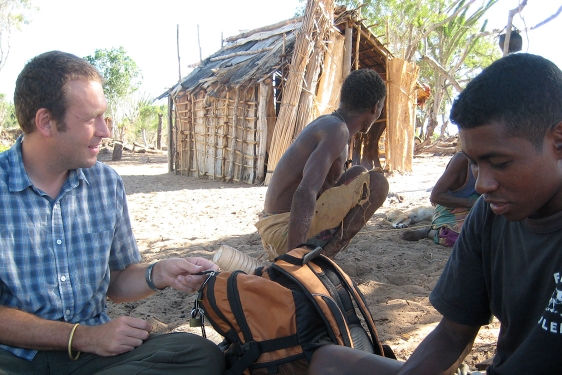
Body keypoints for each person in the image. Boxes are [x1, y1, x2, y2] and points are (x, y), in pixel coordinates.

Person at [307, 53, 562, 374]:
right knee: (329, 362)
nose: (482, 184)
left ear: (558, 140)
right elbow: (455, 334)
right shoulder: (489, 216)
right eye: (473, 162)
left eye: (499, 163)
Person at [0, 51, 225, 374]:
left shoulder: (105, 184)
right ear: (46, 122)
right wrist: (84, 337)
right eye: (92, 118)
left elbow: (117, 280)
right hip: (14, 358)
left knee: (199, 354)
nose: (105, 131)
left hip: (94, 357)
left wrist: (161, 273)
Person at [255, 69, 389, 260]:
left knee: (358, 173)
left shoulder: (329, 123)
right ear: (375, 107)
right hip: (283, 232)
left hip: (275, 227)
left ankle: (315, 259)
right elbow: (305, 191)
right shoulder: (337, 130)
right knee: (378, 184)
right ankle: (322, 261)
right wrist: (293, 261)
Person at [401, 151, 480, 247]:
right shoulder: (462, 160)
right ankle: (430, 232)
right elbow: (436, 196)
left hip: (478, 209)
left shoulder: (495, 159)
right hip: (451, 209)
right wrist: (471, 203)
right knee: (459, 238)